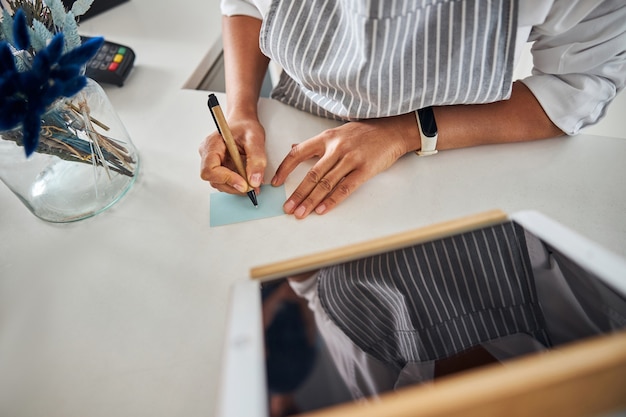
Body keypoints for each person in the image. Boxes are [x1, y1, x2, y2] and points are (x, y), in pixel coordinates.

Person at [199, 0, 626, 219]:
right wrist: (241, 110)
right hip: (298, 116)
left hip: (453, 150)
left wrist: (402, 132)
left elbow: (577, 87)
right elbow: (248, 4)